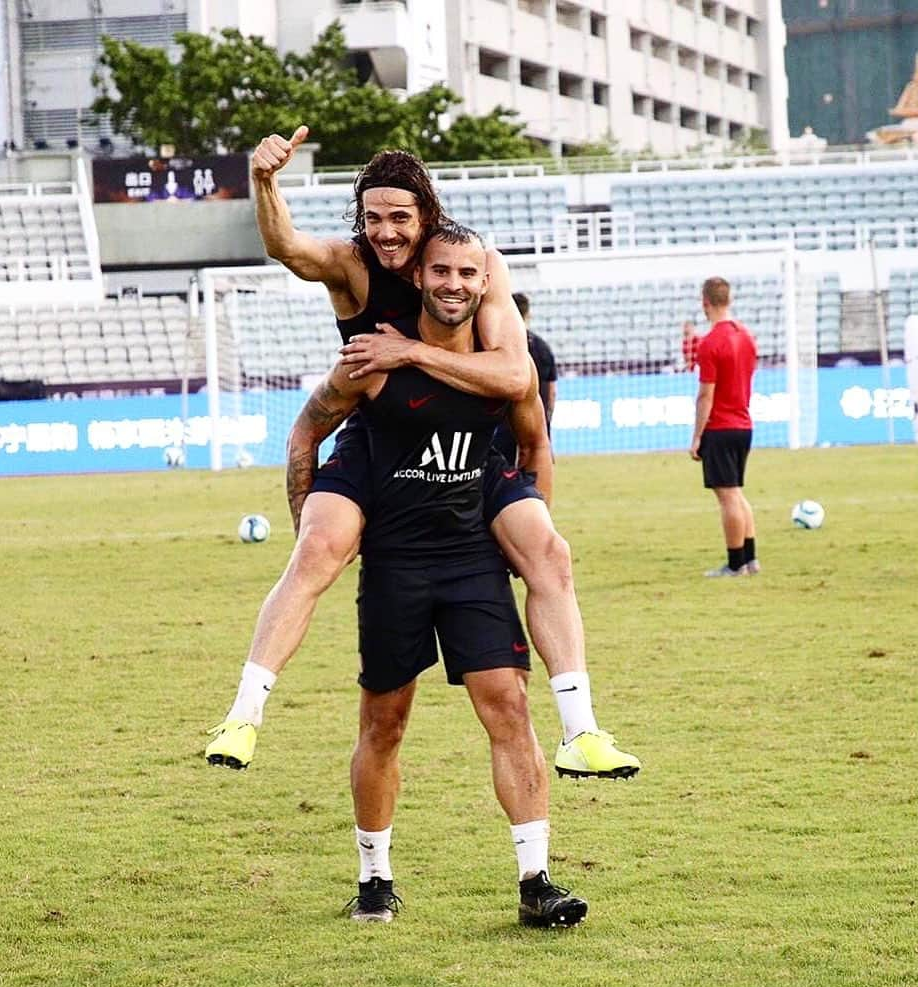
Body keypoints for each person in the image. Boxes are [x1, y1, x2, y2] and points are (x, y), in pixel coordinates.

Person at [206, 129, 638, 780]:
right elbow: (288, 248)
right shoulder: (352, 266)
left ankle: (580, 733)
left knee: (549, 550)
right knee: (319, 550)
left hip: (470, 443)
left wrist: (408, 351)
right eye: (374, 218)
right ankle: (243, 715)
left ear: (427, 216)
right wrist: (264, 182)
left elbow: (515, 376)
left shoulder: (472, 263)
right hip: (380, 440)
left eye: (400, 218)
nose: (386, 232)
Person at [309, 223, 588, 927]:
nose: (455, 284)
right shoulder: (376, 359)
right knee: (384, 723)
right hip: (398, 559)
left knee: (510, 709)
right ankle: (375, 878)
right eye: (441, 273)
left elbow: (531, 431)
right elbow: (313, 426)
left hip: (470, 558)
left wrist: (527, 524)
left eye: (469, 274)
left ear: (485, 280)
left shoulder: (504, 358)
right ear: (420, 280)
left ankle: (537, 881)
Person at [689, 277, 760, 578]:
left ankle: (735, 564)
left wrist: (697, 436)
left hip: (721, 425)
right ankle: (750, 558)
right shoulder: (746, 336)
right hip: (744, 423)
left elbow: (707, 394)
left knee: (727, 496)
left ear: (705, 303)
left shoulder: (710, 343)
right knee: (737, 493)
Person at [492, 292, 557, 466]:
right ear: (528, 314)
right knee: (537, 461)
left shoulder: (498, 345)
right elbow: (552, 390)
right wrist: (548, 414)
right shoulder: (542, 346)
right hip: (538, 417)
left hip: (508, 417)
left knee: (501, 468)